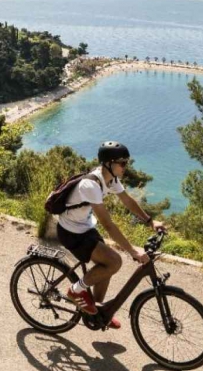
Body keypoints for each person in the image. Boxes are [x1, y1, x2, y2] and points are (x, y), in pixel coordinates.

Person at [58, 140, 166, 326]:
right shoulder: (90, 185)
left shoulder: (110, 179)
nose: (126, 166)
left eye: (126, 162)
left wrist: (150, 221)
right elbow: (108, 224)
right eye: (122, 163)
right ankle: (76, 290)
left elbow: (128, 200)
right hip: (72, 232)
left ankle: (98, 312)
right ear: (109, 163)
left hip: (84, 226)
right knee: (114, 262)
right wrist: (133, 251)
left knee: (106, 266)